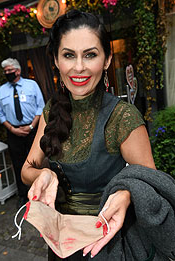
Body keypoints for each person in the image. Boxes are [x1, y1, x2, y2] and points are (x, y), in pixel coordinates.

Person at [21, 10, 173, 260]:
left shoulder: (122, 117)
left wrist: (125, 193)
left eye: (90, 55)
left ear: (106, 59)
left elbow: (150, 184)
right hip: (60, 245)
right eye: (69, 55)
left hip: (108, 245)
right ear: (57, 61)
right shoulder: (51, 110)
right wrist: (44, 173)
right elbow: (27, 169)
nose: (78, 67)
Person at [0, 58, 45, 208]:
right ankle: (24, 196)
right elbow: (0, 113)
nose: (7, 73)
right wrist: (12, 129)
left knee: (36, 163)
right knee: (18, 164)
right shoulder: (2, 91)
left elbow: (40, 107)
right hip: (13, 132)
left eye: (10, 70)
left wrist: (31, 127)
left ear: (18, 71)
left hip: (32, 131)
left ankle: (41, 194)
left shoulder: (32, 85)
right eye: (5, 72)